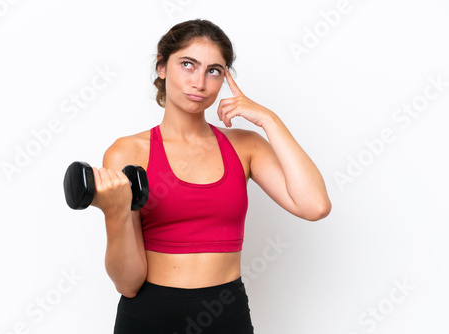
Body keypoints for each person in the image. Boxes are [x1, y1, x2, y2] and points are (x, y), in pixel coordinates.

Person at [90, 19, 332, 333]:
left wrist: (269, 120)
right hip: (149, 315)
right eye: (187, 65)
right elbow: (128, 283)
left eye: (213, 70)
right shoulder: (128, 152)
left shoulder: (246, 147)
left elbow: (315, 206)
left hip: (225, 313)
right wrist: (115, 213)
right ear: (162, 67)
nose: (200, 83)